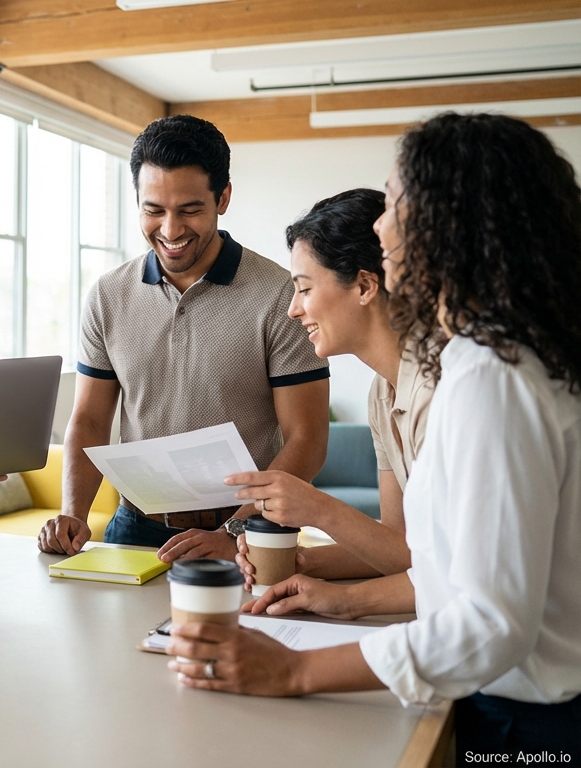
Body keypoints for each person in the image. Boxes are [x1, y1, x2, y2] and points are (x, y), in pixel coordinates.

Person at [166, 113, 581, 761]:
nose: (383, 225)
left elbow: (487, 623)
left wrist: (294, 671)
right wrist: (321, 583)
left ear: (452, 225)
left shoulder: (492, 377)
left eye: (399, 204)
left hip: (529, 719)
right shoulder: (497, 359)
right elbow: (447, 570)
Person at [37, 115, 329, 562]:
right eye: (153, 210)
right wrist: (72, 512)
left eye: (190, 210)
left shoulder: (280, 296)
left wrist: (236, 531)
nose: (170, 230)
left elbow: (306, 440)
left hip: (246, 531)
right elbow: (90, 420)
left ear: (223, 198)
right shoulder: (108, 295)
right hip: (134, 525)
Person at [228, 189, 435, 621]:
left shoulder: (444, 391)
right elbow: (402, 546)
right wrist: (302, 563)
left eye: (304, 288)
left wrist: (318, 509)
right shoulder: (383, 393)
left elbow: (450, 568)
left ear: (364, 285)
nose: (292, 310)